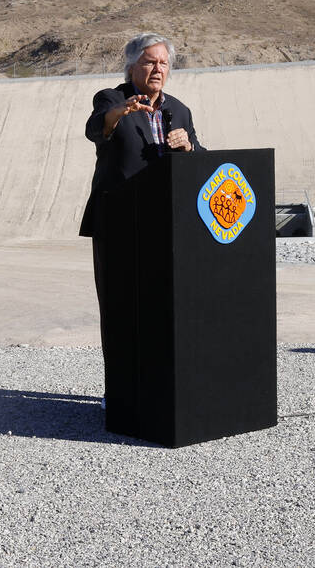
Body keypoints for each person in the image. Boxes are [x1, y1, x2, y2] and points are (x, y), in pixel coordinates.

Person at [79, 33, 204, 400]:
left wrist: (189, 147)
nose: (158, 68)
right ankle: (119, 391)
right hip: (117, 221)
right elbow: (96, 127)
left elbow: (202, 158)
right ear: (132, 65)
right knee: (120, 308)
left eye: (164, 62)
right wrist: (121, 112)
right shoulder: (111, 98)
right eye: (150, 61)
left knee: (157, 307)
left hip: (163, 224)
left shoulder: (179, 110)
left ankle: (154, 387)